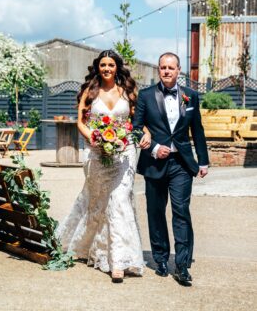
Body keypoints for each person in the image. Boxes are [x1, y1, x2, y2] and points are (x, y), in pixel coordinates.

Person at [57, 50, 150, 283]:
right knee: (97, 201)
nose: (107, 68)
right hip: (97, 152)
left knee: (119, 199)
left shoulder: (128, 91)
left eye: (110, 64)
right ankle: (91, 247)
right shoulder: (90, 91)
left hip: (125, 151)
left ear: (117, 67)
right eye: (103, 65)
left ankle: (118, 261)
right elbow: (81, 121)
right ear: (97, 67)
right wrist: (95, 138)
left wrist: (145, 133)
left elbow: (137, 120)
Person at [132, 52, 209, 285]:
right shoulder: (145, 95)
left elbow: (197, 129)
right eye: (162, 67)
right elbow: (135, 128)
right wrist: (154, 148)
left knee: (181, 212)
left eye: (171, 68)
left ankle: (183, 265)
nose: (166, 71)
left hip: (182, 164)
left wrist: (202, 161)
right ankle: (161, 258)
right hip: (154, 163)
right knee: (155, 212)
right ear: (159, 70)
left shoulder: (191, 96)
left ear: (179, 71)